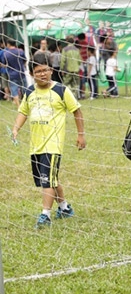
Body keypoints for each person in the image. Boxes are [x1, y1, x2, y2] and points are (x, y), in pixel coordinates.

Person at [11, 53, 86, 228]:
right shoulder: (29, 91)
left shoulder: (61, 90)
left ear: (51, 70)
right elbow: (23, 112)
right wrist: (16, 129)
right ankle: (64, 207)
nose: (43, 74)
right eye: (38, 71)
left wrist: (80, 135)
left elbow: (77, 111)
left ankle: (46, 214)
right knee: (49, 179)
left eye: (45, 70)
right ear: (32, 74)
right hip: (35, 145)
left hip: (53, 144)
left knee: (47, 179)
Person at [2, 39, 27, 107]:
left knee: (14, 91)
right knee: (25, 89)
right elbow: (25, 61)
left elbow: (5, 64)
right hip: (21, 73)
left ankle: (19, 106)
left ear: (8, 44)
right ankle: (26, 104)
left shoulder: (6, 53)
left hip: (12, 75)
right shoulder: (20, 51)